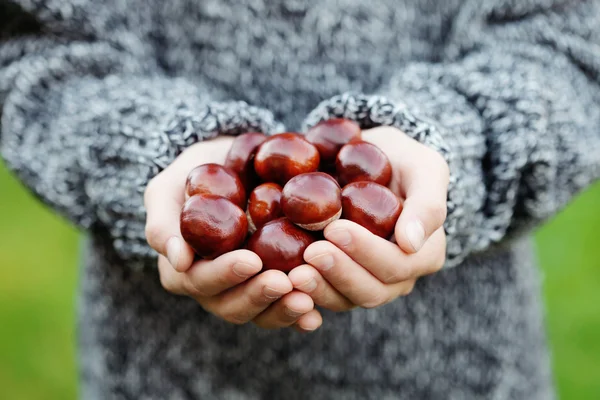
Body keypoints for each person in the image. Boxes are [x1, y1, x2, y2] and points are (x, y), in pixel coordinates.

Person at [1, 0, 599, 398]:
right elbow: (33, 50)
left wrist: (449, 150)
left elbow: (570, 46)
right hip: (160, 375)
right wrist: (151, 156)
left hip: (466, 374)